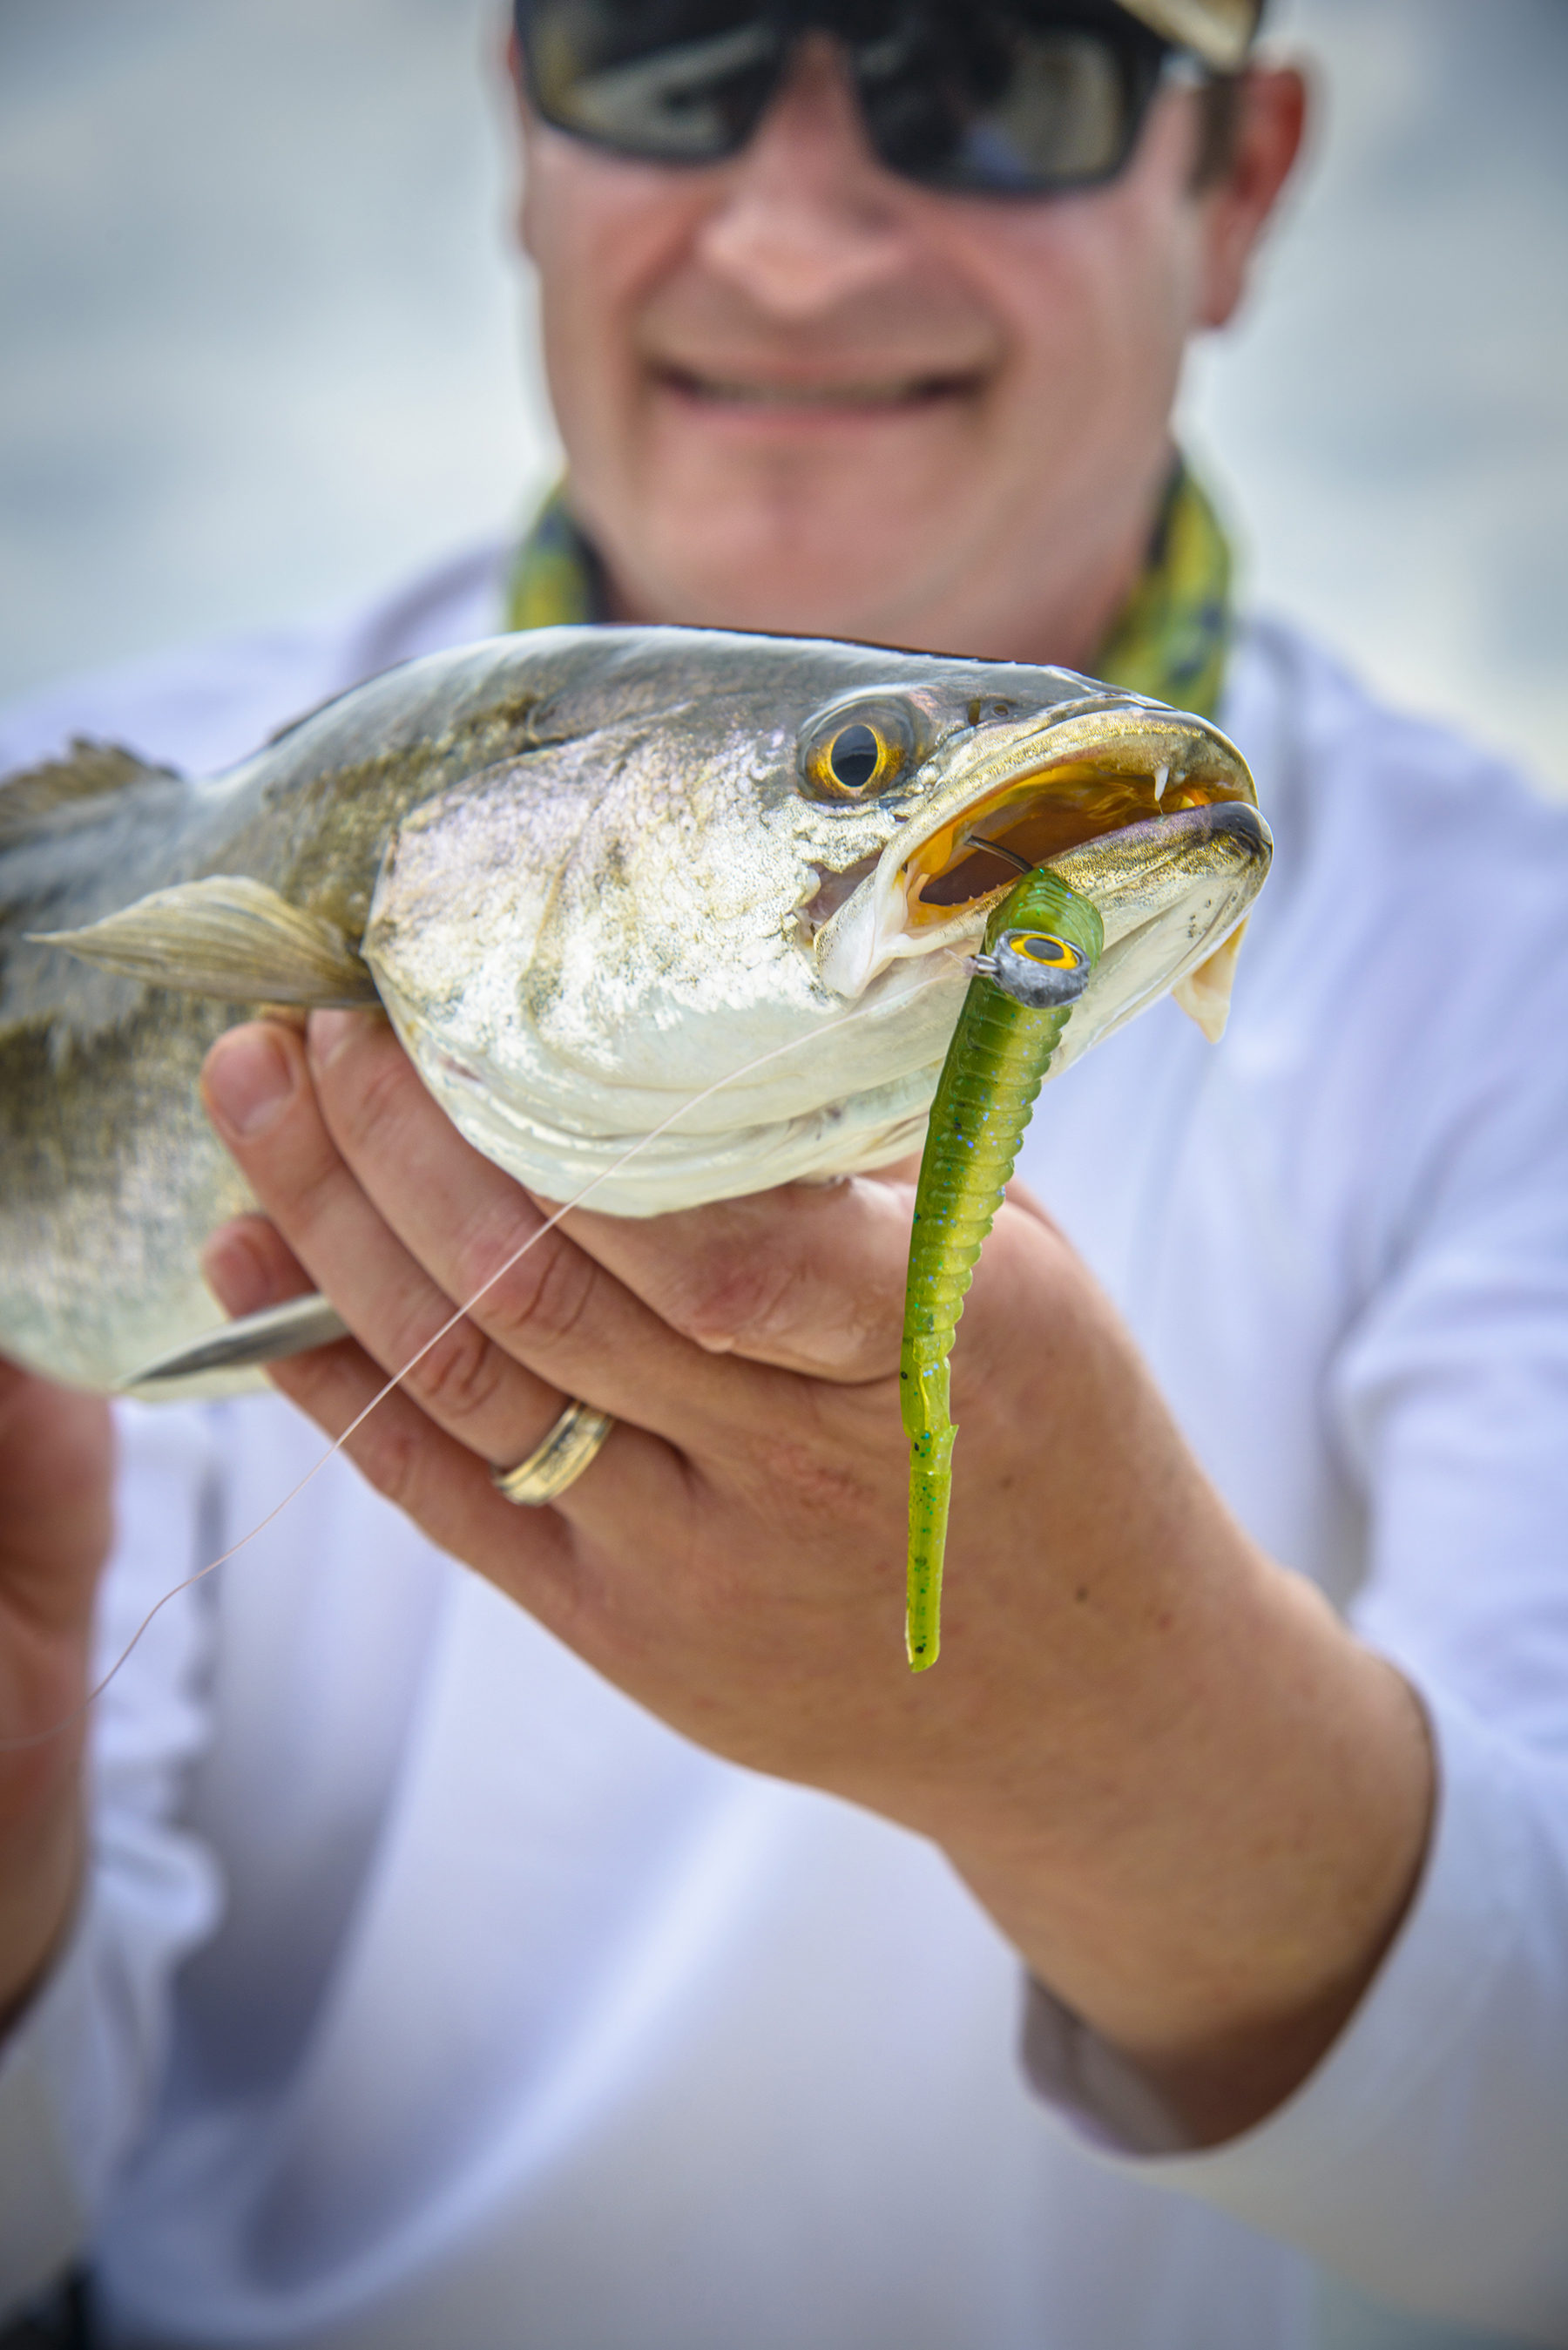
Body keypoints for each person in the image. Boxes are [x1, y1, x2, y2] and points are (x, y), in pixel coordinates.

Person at [2, 3, 1566, 2343]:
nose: (798, 237)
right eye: (667, 56)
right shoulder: (76, 866)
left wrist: (1121, 1737)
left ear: (1239, 181)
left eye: (991, 78)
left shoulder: (1525, 978)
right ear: (518, 120)